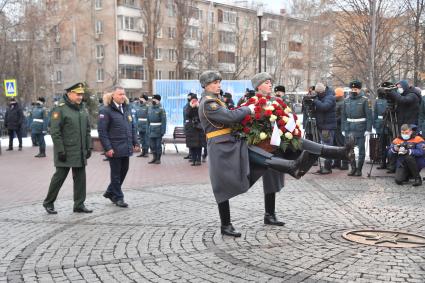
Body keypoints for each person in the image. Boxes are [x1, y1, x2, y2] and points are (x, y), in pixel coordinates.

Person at [199, 70, 354, 237]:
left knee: (294, 147)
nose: (218, 85)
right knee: (223, 186)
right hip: (225, 146)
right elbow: (231, 117)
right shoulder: (210, 103)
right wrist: (251, 110)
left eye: (219, 82)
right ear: (206, 85)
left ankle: (333, 154)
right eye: (215, 83)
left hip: (243, 143)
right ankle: (227, 224)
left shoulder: (217, 100)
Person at [42, 83, 92, 214]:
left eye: (81, 94)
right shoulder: (60, 109)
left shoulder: (82, 109)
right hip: (65, 151)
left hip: (80, 151)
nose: (80, 97)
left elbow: (87, 130)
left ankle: (79, 204)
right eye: (77, 94)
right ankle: (48, 203)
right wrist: (60, 150)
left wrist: (88, 147)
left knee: (81, 179)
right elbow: (55, 132)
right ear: (69, 94)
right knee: (59, 178)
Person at [98, 86, 140, 207]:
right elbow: (102, 131)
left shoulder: (127, 108)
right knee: (116, 174)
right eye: (120, 94)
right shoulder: (106, 110)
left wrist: (135, 142)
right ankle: (118, 197)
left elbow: (132, 127)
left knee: (124, 171)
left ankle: (110, 192)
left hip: (126, 146)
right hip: (114, 148)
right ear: (113, 96)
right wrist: (108, 148)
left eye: (123, 94)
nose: (123, 96)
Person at [341, 80, 372, 177]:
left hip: (360, 128)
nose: (354, 91)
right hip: (349, 128)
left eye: (356, 89)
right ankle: (353, 168)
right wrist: (343, 128)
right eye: (352, 89)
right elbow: (343, 116)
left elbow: (369, 116)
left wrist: (368, 129)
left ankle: (359, 169)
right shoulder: (346, 100)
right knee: (349, 150)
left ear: (360, 89)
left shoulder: (365, 100)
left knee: (361, 151)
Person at [313, 83, 336, 174]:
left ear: (322, 91)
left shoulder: (330, 97)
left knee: (327, 147)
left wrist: (315, 101)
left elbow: (324, 107)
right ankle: (326, 166)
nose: (317, 94)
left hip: (327, 126)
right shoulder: (321, 97)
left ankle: (327, 167)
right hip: (323, 125)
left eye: (318, 93)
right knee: (325, 146)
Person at [185, 94, 205, 166]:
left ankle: (198, 160)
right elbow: (187, 114)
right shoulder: (188, 107)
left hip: (198, 129)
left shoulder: (200, 107)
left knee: (198, 146)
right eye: (192, 100)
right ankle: (193, 160)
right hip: (191, 129)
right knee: (192, 146)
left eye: (195, 100)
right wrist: (191, 107)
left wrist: (197, 107)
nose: (194, 101)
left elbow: (202, 116)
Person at [147, 94, 166, 164]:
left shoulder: (161, 110)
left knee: (158, 145)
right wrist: (147, 129)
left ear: (158, 100)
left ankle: (158, 158)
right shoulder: (150, 108)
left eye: (155, 99)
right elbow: (148, 120)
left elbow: (164, 121)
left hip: (158, 129)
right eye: (153, 99)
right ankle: (154, 157)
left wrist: (163, 131)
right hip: (151, 129)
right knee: (152, 145)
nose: (153, 100)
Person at [333, 87, 348, 170]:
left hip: (340, 127)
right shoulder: (338, 102)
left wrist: (333, 120)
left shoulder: (342, 103)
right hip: (336, 127)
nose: (334, 96)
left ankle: (344, 163)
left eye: (335, 94)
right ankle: (336, 162)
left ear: (338, 95)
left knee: (341, 145)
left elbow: (342, 117)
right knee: (335, 145)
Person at [374, 88, 388, 169]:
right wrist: (375, 124)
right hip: (380, 124)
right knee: (381, 145)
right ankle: (383, 162)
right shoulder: (377, 101)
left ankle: (390, 162)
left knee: (389, 145)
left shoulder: (388, 101)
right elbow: (375, 113)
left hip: (388, 124)